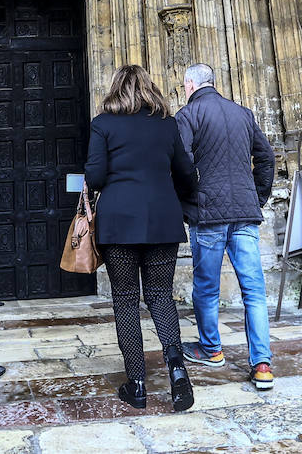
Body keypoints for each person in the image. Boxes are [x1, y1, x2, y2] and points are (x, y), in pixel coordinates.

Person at [85, 64, 198, 412]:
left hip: (119, 222)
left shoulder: (103, 123)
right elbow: (186, 173)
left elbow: (96, 175)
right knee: (161, 296)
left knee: (125, 298)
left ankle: (136, 383)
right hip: (162, 220)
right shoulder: (167, 124)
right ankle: (177, 371)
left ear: (116, 89)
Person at [175, 63, 277, 391]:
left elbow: (181, 164)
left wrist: (189, 201)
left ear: (190, 84)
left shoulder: (188, 115)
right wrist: (256, 198)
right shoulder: (243, 114)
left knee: (206, 287)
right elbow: (266, 158)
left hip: (208, 216)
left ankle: (212, 349)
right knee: (254, 290)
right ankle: (262, 364)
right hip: (245, 213)